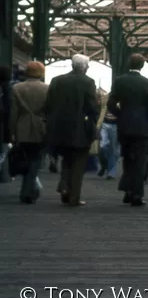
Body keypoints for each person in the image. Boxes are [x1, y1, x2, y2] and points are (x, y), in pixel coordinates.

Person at [106, 53, 148, 206]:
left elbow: (111, 103)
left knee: (127, 159)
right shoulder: (146, 82)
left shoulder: (120, 81)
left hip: (124, 127)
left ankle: (127, 191)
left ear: (128, 64)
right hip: (141, 128)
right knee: (139, 162)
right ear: (142, 66)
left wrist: (120, 115)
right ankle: (136, 195)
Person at [44, 54, 99, 207]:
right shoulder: (88, 82)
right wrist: (92, 122)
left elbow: (49, 104)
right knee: (78, 163)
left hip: (59, 128)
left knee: (66, 159)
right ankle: (73, 197)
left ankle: (64, 186)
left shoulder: (57, 81)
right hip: (80, 128)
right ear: (84, 67)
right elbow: (92, 107)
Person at [8, 61, 48, 204]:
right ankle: (29, 191)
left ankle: (28, 189)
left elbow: (13, 113)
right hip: (40, 127)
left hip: (22, 126)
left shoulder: (17, 88)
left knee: (26, 158)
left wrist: (12, 131)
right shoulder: (47, 89)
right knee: (35, 160)